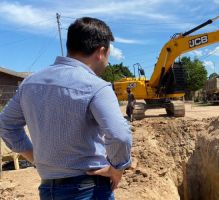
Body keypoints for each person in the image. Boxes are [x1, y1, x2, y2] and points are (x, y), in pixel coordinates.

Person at [0, 17, 132, 200]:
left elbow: (6, 124)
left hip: (48, 191)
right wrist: (118, 168)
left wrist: (35, 158)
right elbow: (120, 135)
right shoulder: (97, 86)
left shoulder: (29, 84)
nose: (108, 62)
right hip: (89, 190)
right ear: (101, 52)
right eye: (108, 55)